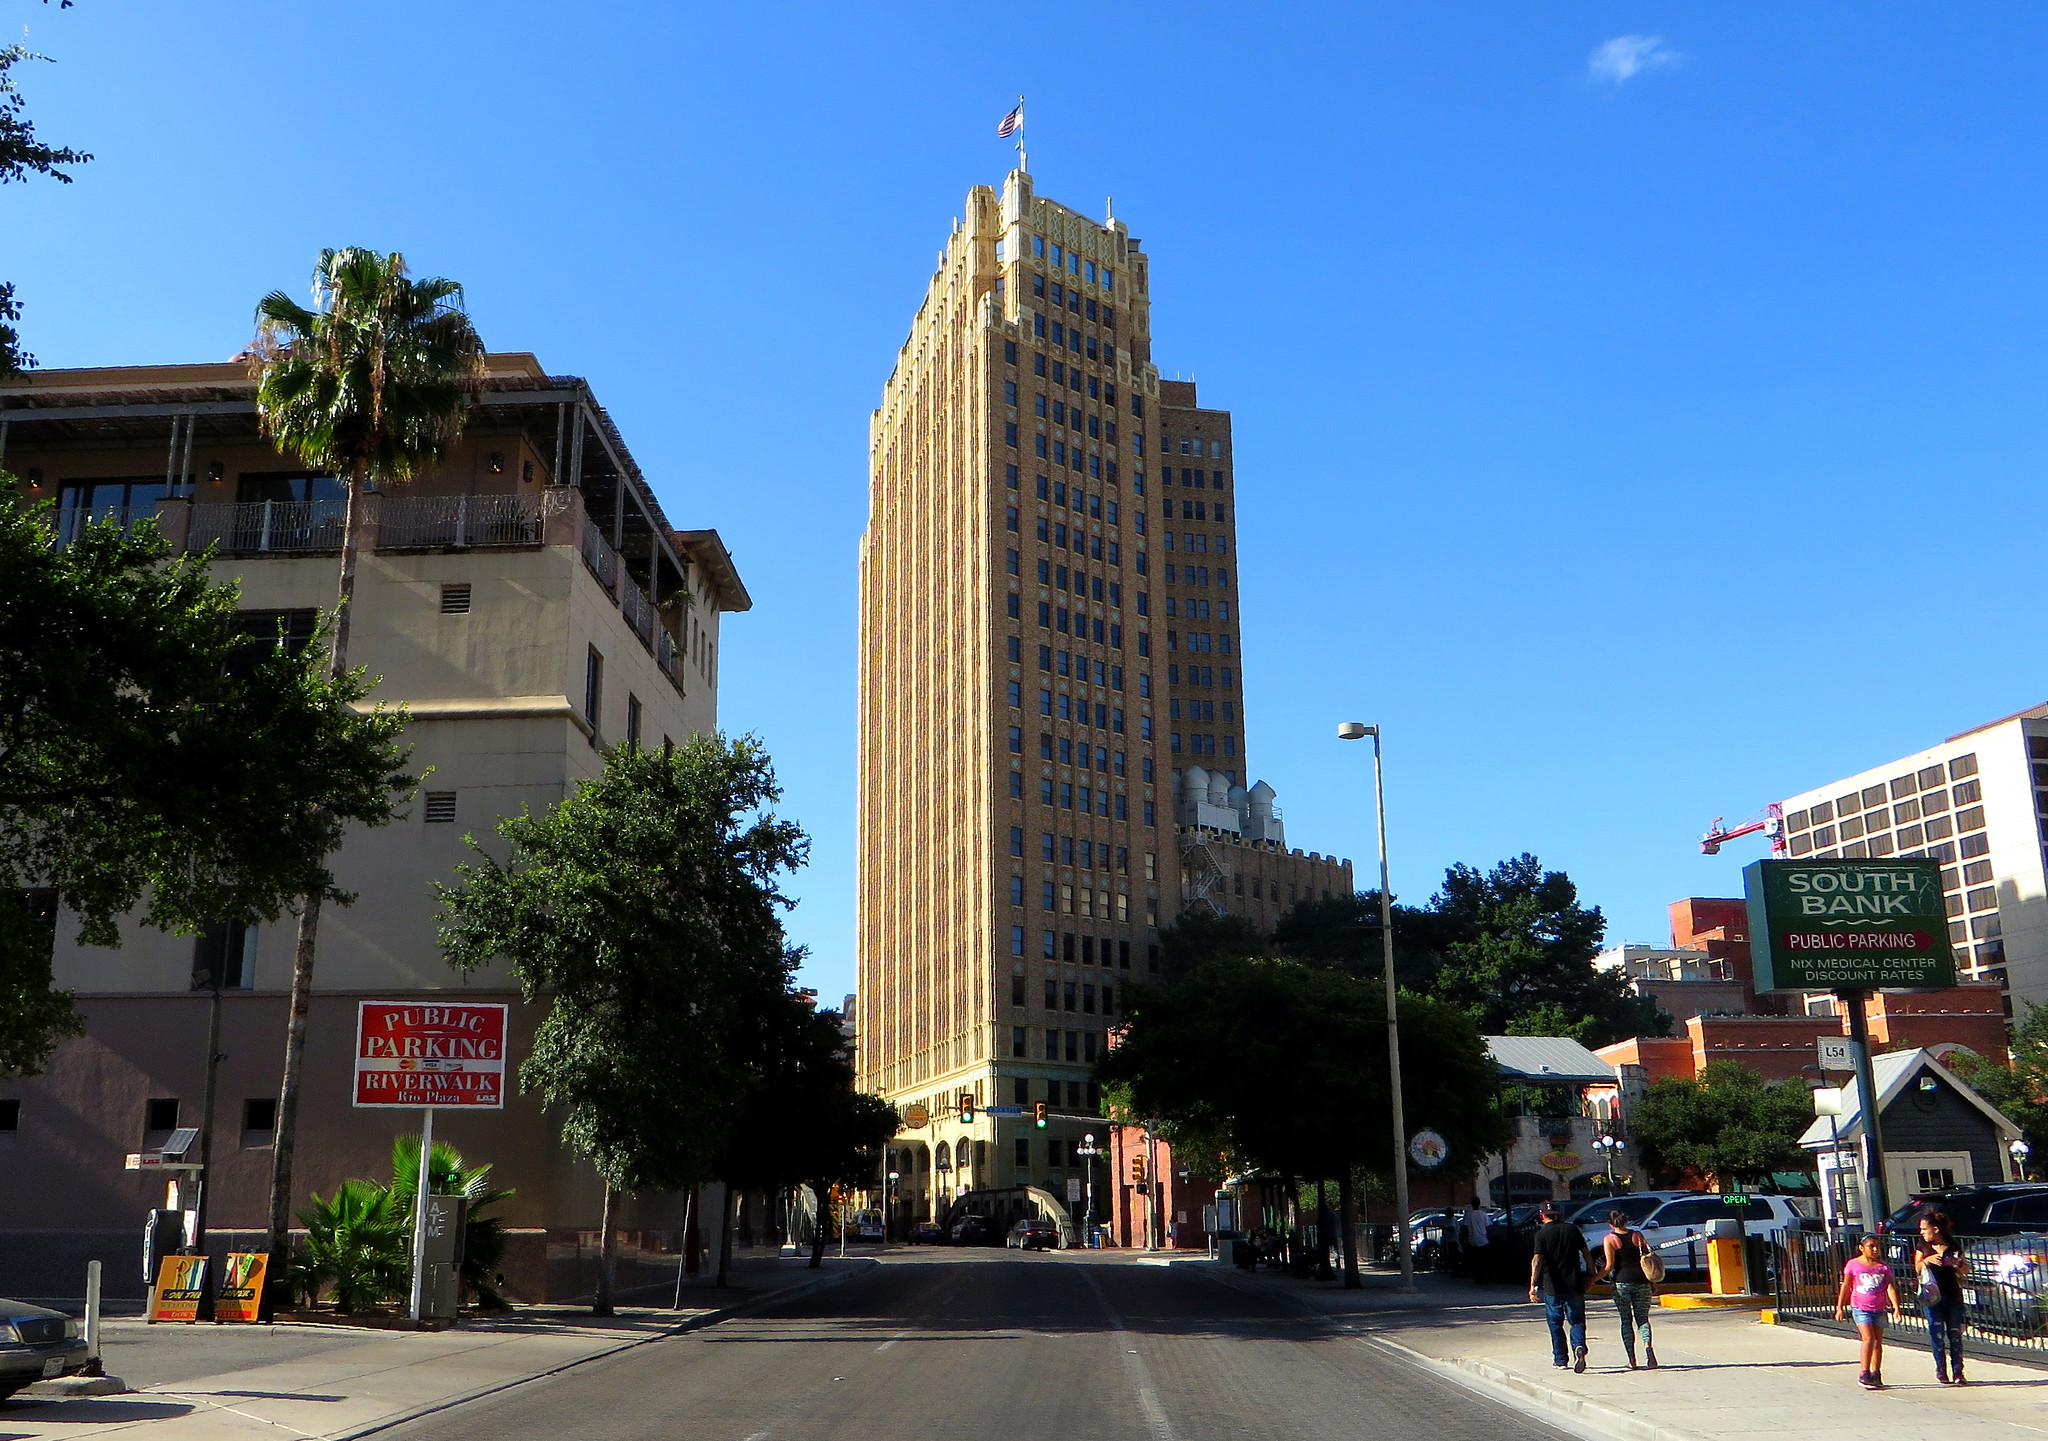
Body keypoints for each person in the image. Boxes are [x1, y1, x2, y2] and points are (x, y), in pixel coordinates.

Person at [1529, 1200, 1594, 1372]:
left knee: (1555, 1323)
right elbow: (1587, 1254)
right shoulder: (1572, 1230)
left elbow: (1537, 1260)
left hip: (1553, 1286)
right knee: (1577, 1320)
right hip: (1574, 1283)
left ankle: (1560, 1359)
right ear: (1557, 1214)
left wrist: (1533, 1284)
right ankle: (1579, 1346)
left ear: (1542, 1216)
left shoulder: (1541, 1235)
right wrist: (1590, 1276)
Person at [1834, 1233, 1903, 1389]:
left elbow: (1890, 1288)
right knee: (1868, 1339)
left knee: (1878, 1342)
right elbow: (1845, 1286)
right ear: (1861, 1248)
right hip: (1860, 1307)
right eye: (1870, 1246)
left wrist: (1896, 1307)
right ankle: (1864, 1372)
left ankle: (1876, 1373)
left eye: (1877, 1246)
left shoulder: (1883, 1267)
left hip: (1879, 1308)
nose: (1874, 1249)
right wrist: (1840, 1307)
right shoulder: (1853, 1265)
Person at [1597, 1210, 1658, 1370]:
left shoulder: (1610, 1239)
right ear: (1626, 1221)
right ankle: (1648, 1348)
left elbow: (1609, 1266)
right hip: (1642, 1281)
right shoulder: (1638, 1236)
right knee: (1643, 1319)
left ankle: (1632, 1359)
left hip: (1621, 1282)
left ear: (1610, 1223)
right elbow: (1647, 1260)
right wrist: (1651, 1281)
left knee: (1626, 1320)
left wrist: (1592, 1280)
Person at [1915, 1211, 1968, 1384]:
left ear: (1936, 1229)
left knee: (1955, 1334)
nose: (1922, 1232)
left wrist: (1958, 1264)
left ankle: (1958, 1372)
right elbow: (1916, 1268)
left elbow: (1965, 1268)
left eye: (1925, 1229)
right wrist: (1927, 1261)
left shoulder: (1952, 1246)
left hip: (1952, 1293)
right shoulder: (1923, 1247)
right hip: (1932, 1296)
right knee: (1936, 1333)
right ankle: (1941, 1370)